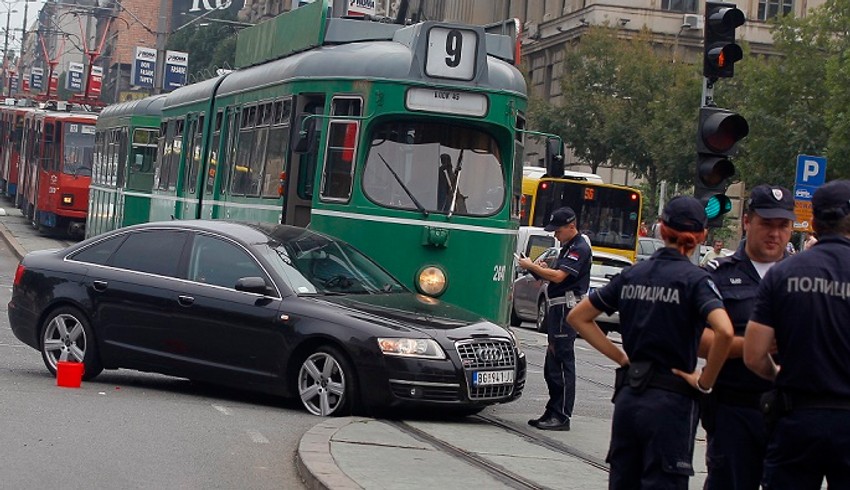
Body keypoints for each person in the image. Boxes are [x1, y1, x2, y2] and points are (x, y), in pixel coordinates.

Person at [567, 196, 733, 489]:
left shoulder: (632, 275)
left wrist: (620, 358)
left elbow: (578, 318)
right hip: (672, 401)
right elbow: (725, 332)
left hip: (630, 396)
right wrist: (706, 382)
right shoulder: (695, 280)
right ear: (701, 236)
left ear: (661, 228)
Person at [744, 180, 850, 489]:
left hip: (797, 417)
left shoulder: (783, 273)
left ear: (813, 222)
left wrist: (778, 375)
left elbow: (753, 354)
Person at [700, 184, 795, 490]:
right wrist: (750, 347)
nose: (775, 234)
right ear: (747, 222)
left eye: (783, 226)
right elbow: (697, 338)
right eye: (767, 224)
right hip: (735, 408)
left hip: (790, 412)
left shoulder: (802, 276)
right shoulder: (718, 273)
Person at [517, 206, 591, 431]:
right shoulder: (568, 247)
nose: (555, 236)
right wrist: (538, 269)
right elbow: (555, 275)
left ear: (571, 226)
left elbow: (560, 277)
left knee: (561, 361)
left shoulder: (579, 247)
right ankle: (553, 409)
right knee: (552, 363)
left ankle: (562, 415)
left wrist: (531, 266)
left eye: (558, 231)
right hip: (557, 308)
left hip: (567, 310)